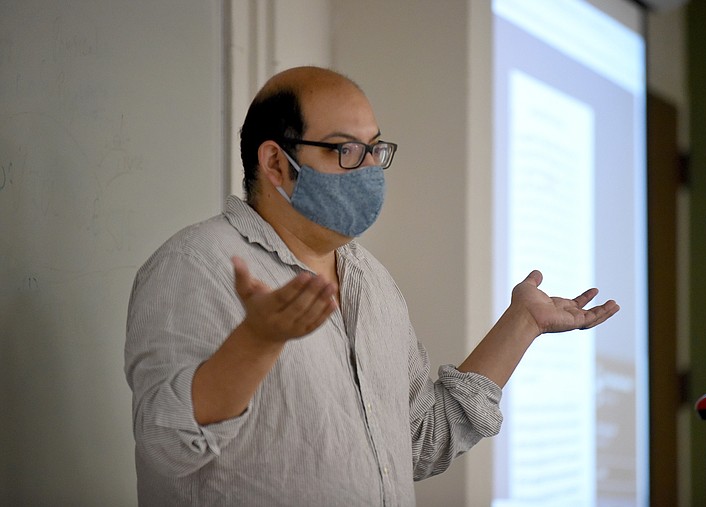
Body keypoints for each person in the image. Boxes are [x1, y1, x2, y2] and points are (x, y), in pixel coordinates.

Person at [124, 66, 619, 507]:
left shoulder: (373, 282)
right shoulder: (196, 265)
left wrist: (522, 325)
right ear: (276, 164)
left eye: (375, 149)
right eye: (346, 150)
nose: (369, 170)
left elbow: (417, 444)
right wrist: (257, 342)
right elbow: (166, 443)